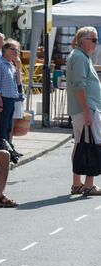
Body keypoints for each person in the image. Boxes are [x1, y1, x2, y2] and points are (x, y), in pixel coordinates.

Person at [66, 26, 101, 196]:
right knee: (93, 145)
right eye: (93, 39)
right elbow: (80, 86)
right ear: (82, 41)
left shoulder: (81, 56)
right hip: (86, 109)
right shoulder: (79, 57)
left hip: (82, 109)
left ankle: (77, 183)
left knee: (81, 145)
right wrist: (87, 112)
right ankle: (88, 185)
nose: (96, 43)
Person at [0, 39, 22, 142]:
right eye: (13, 49)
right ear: (5, 50)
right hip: (3, 99)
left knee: (8, 127)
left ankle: (7, 148)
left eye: (17, 50)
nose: (16, 52)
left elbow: (18, 83)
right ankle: (2, 150)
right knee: (3, 127)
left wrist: (18, 67)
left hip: (11, 99)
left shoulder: (11, 65)